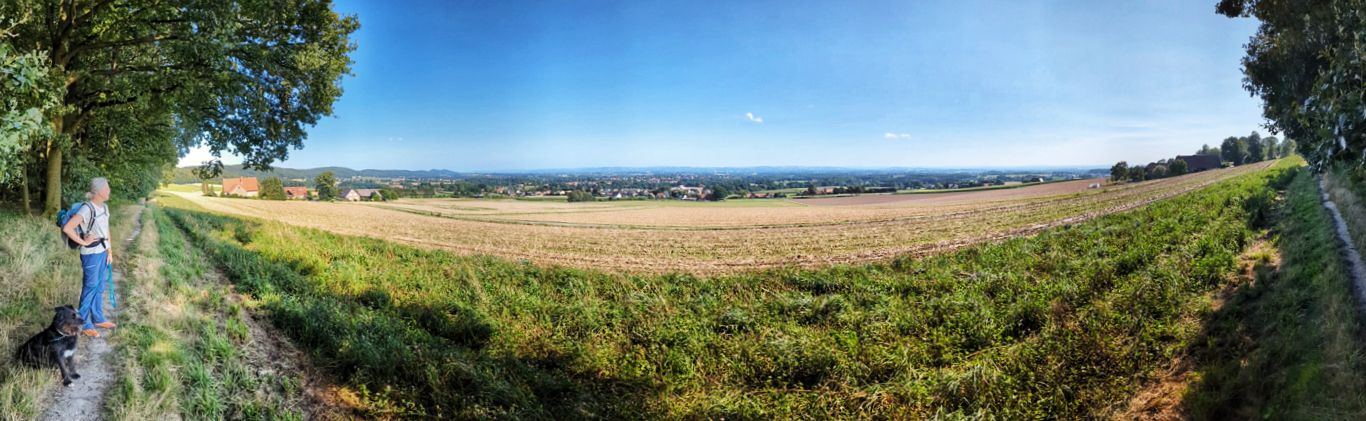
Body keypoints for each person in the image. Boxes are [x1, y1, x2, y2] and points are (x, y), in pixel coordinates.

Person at [61, 177, 117, 338]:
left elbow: (106, 231)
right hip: (91, 255)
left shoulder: (105, 208)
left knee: (99, 287)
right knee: (90, 288)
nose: (109, 191)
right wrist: (83, 243)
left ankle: (98, 318)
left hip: (103, 252)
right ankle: (84, 323)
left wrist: (110, 251)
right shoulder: (87, 209)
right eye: (107, 188)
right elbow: (68, 228)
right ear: (99, 192)